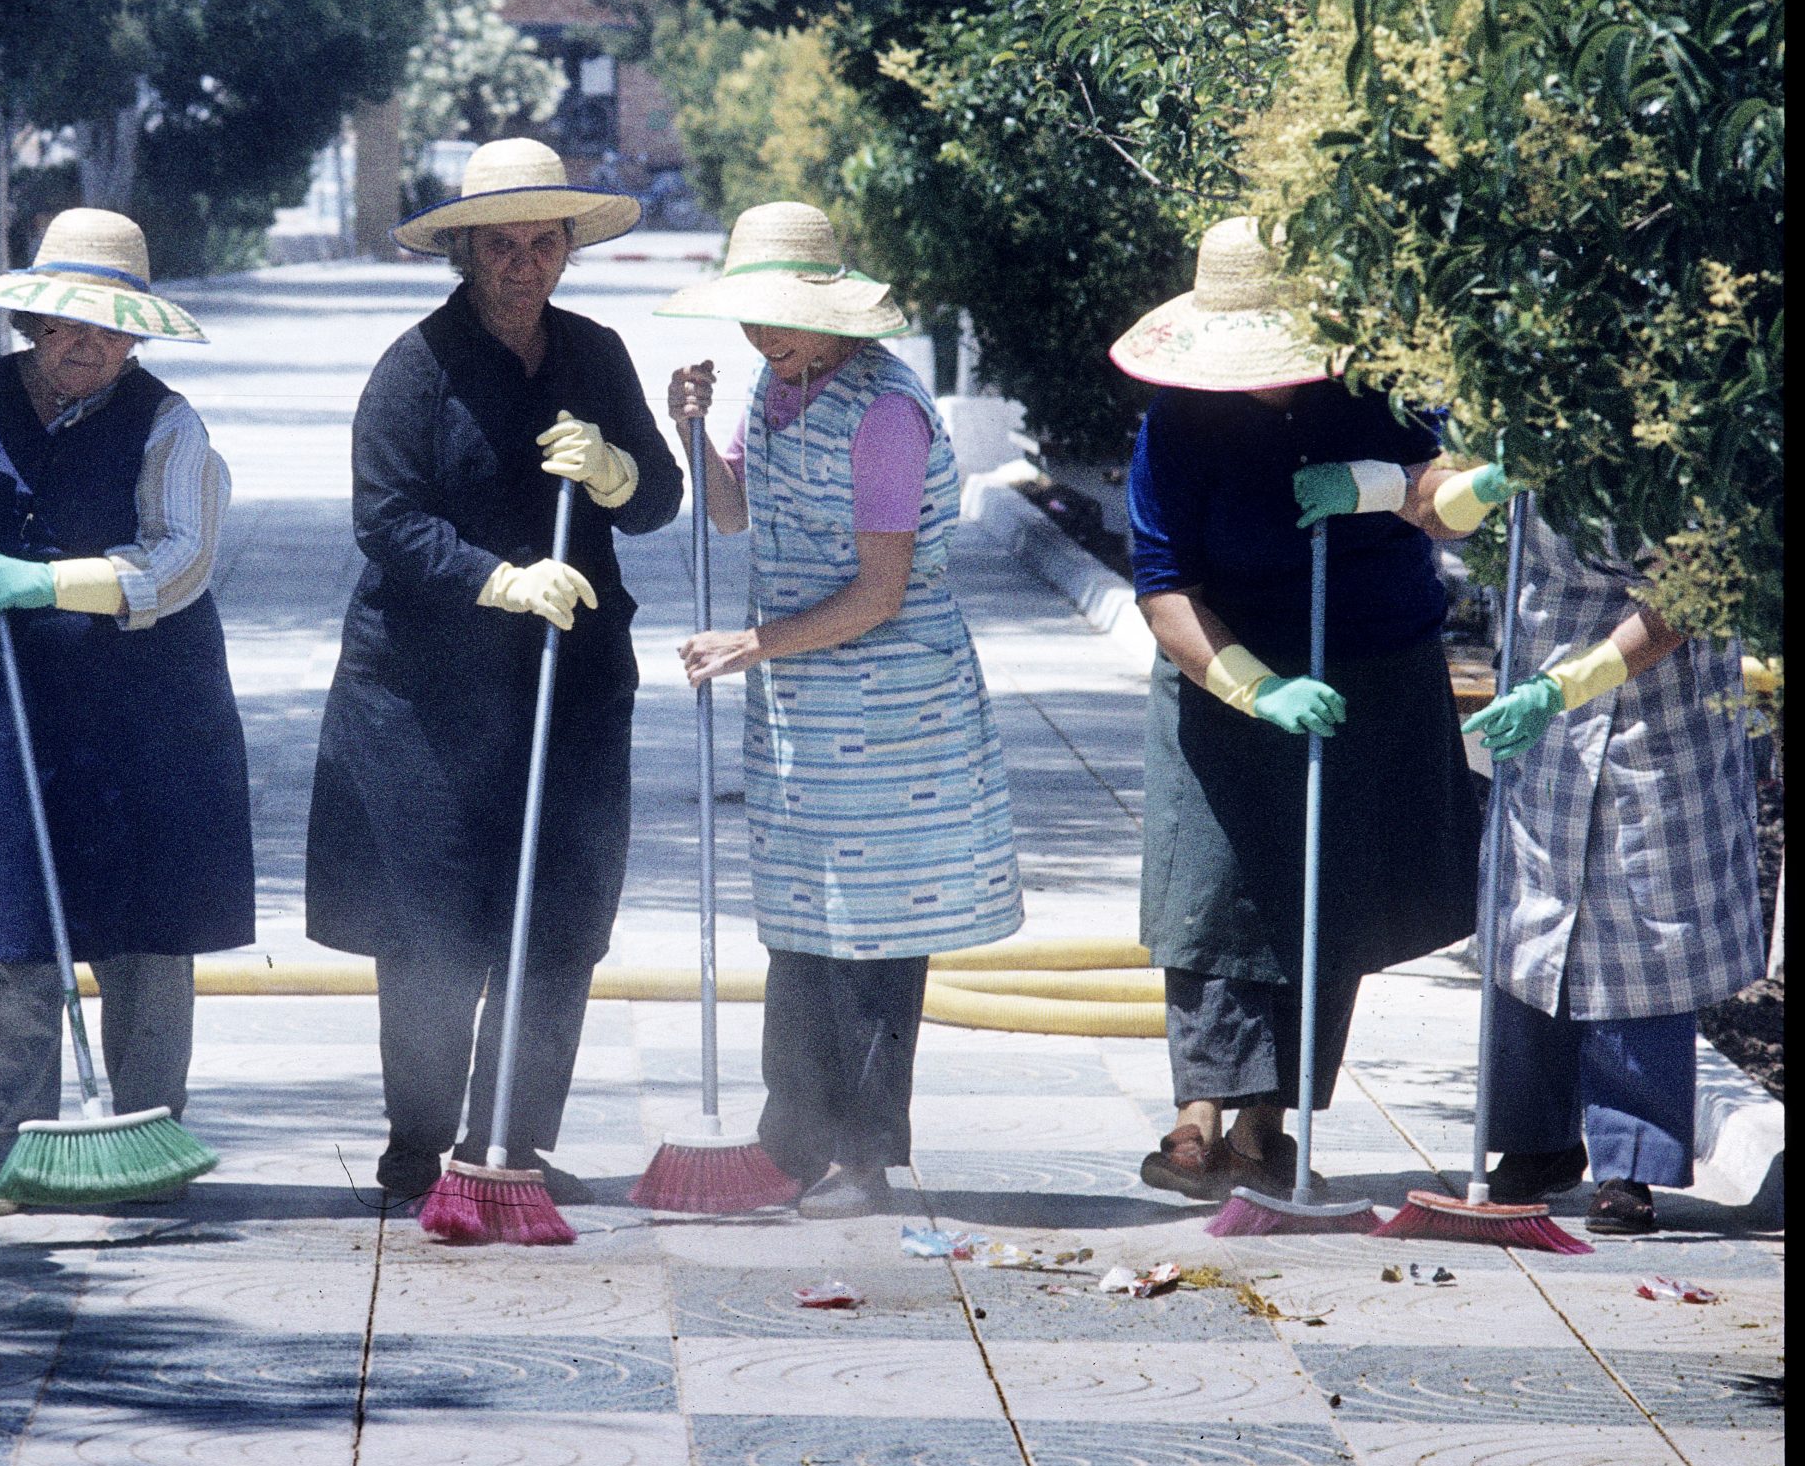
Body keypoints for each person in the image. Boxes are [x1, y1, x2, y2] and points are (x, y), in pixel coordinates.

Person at [0, 209, 253, 1219]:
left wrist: (49, 582)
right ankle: (6, 1155)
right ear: (29, 319)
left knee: (147, 939)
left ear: (137, 335)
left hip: (142, 717)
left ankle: (146, 1137)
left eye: (111, 327)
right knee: (1, 932)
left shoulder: (169, 422)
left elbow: (182, 558)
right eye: (68, 322)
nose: (88, 343)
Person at [305, 138, 682, 1206]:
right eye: (502, 245)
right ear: (464, 253)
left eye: (544, 242)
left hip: (572, 684)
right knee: (434, 925)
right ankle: (419, 1144)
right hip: (424, 695)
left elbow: (655, 498)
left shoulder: (596, 355)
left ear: (567, 249)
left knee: (559, 913)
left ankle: (513, 1138)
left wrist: (614, 472)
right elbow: (383, 519)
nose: (525, 263)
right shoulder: (414, 368)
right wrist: (498, 580)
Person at [658, 202, 1025, 1219]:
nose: (763, 341)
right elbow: (733, 511)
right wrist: (689, 431)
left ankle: (863, 1155)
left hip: (892, 703)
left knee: (874, 927)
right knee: (798, 920)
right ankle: (791, 1142)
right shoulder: (773, 393)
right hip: (798, 706)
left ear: (834, 313)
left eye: (781, 320)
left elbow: (880, 592)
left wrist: (751, 644)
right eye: (750, 320)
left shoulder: (885, 414)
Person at [1112, 216, 1480, 1203]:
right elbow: (1160, 583)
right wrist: (1251, 686)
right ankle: (1197, 1117)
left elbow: (1458, 495)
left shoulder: (1374, 389)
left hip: (1368, 663)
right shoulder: (1176, 420)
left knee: (1327, 889)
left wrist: (1375, 484)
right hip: (1223, 664)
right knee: (1212, 887)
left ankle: (1267, 1125)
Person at [1449, 475, 1768, 1233]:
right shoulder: (1515, 400)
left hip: (1661, 712)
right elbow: (1434, 505)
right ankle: (1534, 1141)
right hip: (1544, 695)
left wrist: (1563, 689)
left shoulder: (1680, 447)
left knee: (1644, 931)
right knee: (1532, 922)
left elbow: (1685, 600)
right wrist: (1457, 479)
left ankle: (1631, 1165)